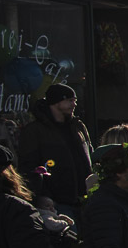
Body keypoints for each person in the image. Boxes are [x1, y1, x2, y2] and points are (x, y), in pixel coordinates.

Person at [17, 82, 93, 217]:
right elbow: (28, 167)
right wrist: (42, 195)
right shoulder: (35, 131)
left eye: (75, 101)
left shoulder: (78, 127)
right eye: (69, 100)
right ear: (56, 102)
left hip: (85, 198)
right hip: (57, 201)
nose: (74, 104)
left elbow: (91, 155)